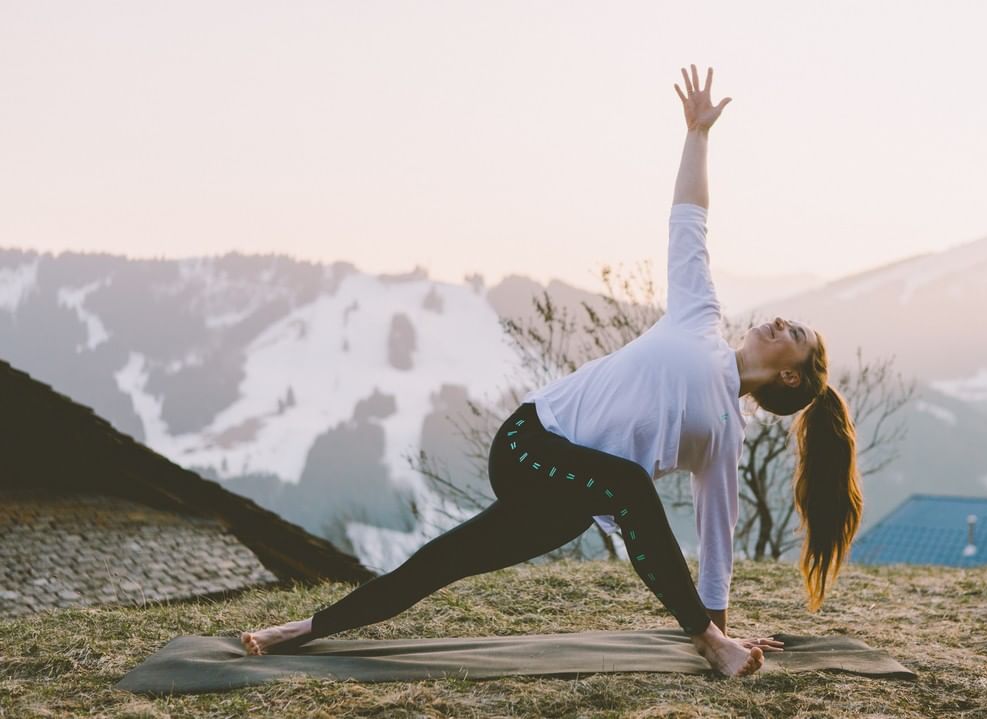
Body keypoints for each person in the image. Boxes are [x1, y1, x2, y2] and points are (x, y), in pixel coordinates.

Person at [241, 64, 862, 679]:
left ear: (791, 379)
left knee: (446, 560)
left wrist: (724, 624)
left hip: (572, 498)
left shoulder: (726, 434)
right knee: (629, 486)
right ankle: (705, 642)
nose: (781, 323)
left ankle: (302, 630)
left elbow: (716, 533)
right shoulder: (699, 317)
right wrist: (697, 135)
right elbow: (689, 220)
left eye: (795, 335)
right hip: (528, 444)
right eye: (787, 321)